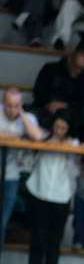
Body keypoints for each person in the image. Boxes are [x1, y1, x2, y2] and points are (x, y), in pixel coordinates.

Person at [25, 109, 79, 264]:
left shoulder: (74, 144)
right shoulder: (43, 137)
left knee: (54, 242)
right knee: (37, 239)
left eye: (63, 128)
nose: (59, 131)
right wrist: (44, 145)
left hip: (61, 196)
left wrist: (70, 154)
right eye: (57, 126)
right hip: (40, 192)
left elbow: (74, 173)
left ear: (68, 129)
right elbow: (29, 160)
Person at [0, 88, 43, 250]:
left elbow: (37, 137)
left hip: (11, 176)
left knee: (2, 222)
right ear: (3, 102)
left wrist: (22, 116)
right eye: (9, 105)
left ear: (21, 105)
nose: (11, 110)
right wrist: (17, 138)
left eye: (16, 106)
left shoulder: (27, 118)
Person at [31, 48, 84, 143]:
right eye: (76, 67)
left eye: (82, 69)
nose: (78, 71)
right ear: (69, 60)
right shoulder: (50, 69)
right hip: (46, 110)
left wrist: (63, 105)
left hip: (71, 113)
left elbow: (81, 101)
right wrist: (50, 104)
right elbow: (38, 92)